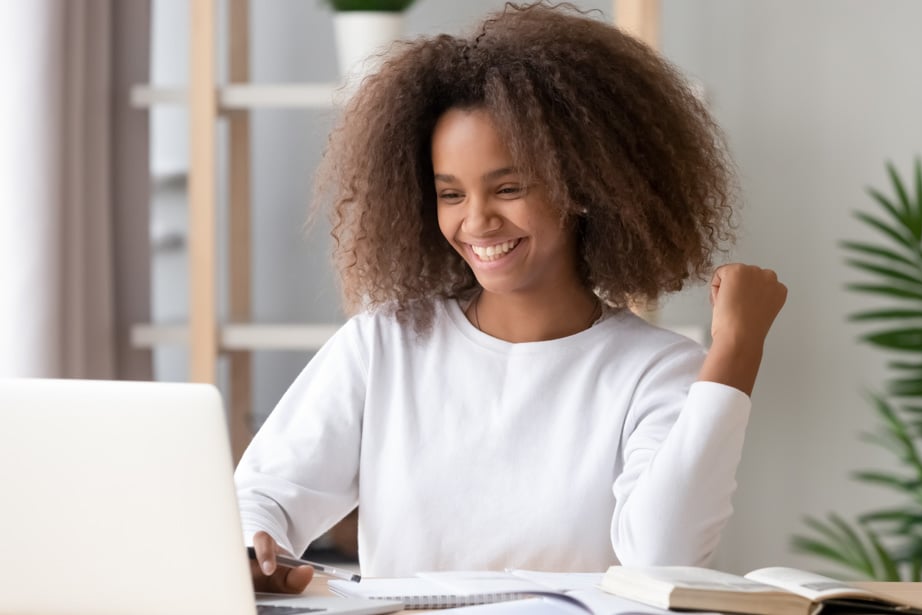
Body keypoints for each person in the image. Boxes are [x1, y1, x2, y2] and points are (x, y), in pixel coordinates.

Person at [236, 1, 787, 593]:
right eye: (451, 194)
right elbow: (265, 495)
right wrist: (251, 544)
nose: (477, 221)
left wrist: (735, 351)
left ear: (583, 186)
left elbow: (662, 557)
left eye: (508, 187)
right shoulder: (385, 343)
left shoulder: (655, 371)